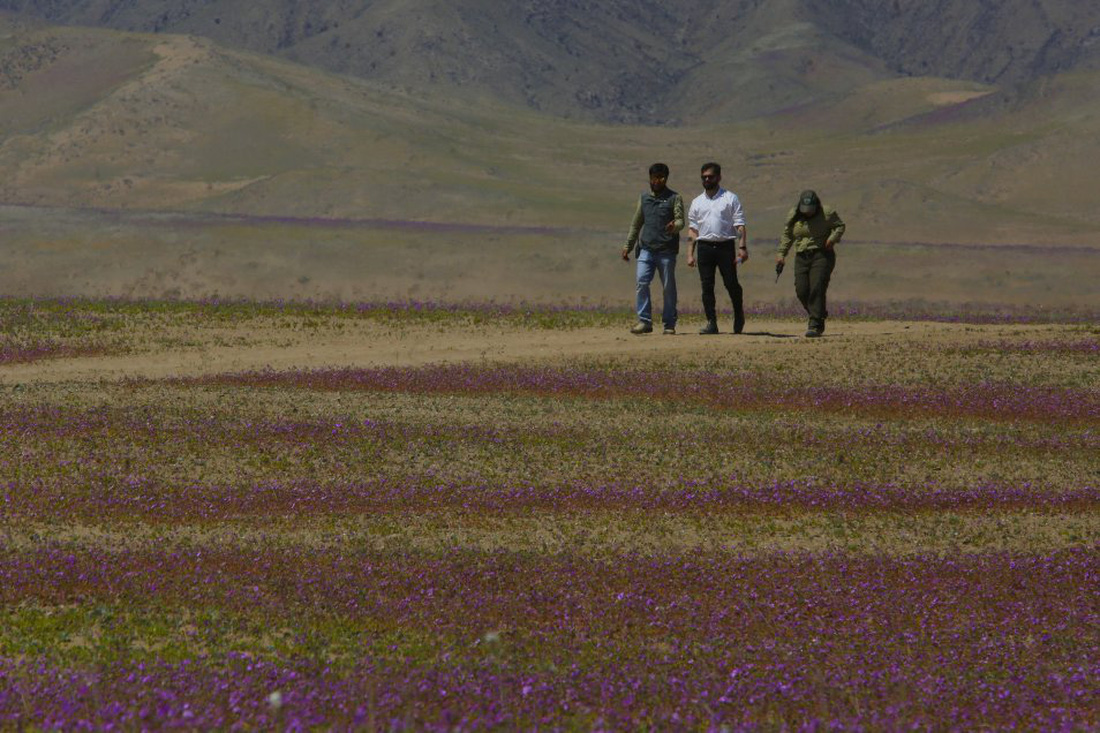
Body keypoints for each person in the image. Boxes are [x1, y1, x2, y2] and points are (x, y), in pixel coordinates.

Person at [621, 163, 685, 335]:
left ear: (666, 178)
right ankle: (644, 321)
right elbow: (636, 224)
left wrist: (675, 226)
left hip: (666, 251)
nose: (657, 181)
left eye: (661, 178)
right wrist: (628, 245)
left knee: (668, 287)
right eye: (654, 178)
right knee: (641, 281)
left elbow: (680, 220)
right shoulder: (644, 198)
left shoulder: (674, 198)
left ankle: (669, 323)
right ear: (650, 178)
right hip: (646, 249)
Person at [687, 162, 747, 335]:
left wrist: (742, 247)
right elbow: (693, 229)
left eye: (710, 176)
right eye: (704, 177)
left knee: (731, 283)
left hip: (725, 247)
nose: (707, 179)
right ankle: (711, 322)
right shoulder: (697, 202)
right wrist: (690, 254)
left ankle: (738, 314)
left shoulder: (730, 198)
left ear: (718, 177)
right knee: (707, 285)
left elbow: (740, 225)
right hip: (704, 247)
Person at [776, 189, 846, 337]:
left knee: (817, 287)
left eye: (810, 210)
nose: (807, 213)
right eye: (805, 210)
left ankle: (815, 325)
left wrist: (832, 239)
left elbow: (840, 226)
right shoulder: (794, 214)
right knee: (801, 290)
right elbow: (787, 235)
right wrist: (781, 254)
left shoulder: (826, 212)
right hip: (801, 256)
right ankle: (818, 313)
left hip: (821, 254)